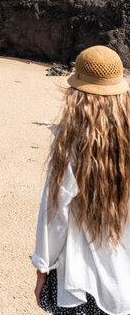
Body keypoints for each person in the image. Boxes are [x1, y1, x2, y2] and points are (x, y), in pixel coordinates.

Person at [32, 45, 130, 315]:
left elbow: (55, 215)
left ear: (77, 93)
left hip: (81, 284)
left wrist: (43, 268)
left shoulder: (71, 142)